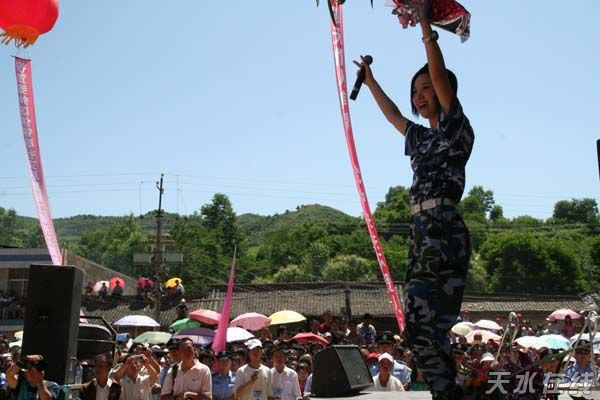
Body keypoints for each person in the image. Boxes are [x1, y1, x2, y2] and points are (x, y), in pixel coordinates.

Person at [355, 5, 473, 399]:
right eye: (416, 92)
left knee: (431, 325)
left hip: (444, 229)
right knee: (417, 329)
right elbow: (393, 116)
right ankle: (448, 392)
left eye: (428, 89)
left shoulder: (456, 128)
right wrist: (370, 82)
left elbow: (439, 75)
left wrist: (425, 24)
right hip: (420, 235)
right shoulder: (419, 139)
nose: (421, 96)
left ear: (444, 92)